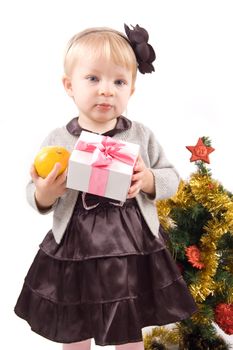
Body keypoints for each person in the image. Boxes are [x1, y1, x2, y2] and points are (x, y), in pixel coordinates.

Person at [14, 24, 197, 350]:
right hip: (75, 248)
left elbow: (172, 178)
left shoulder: (140, 135)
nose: (106, 90)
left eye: (119, 81)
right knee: (74, 324)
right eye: (93, 78)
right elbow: (34, 191)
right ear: (69, 85)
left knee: (128, 323)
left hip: (128, 246)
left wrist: (148, 179)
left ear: (132, 90)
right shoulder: (59, 139)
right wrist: (46, 192)